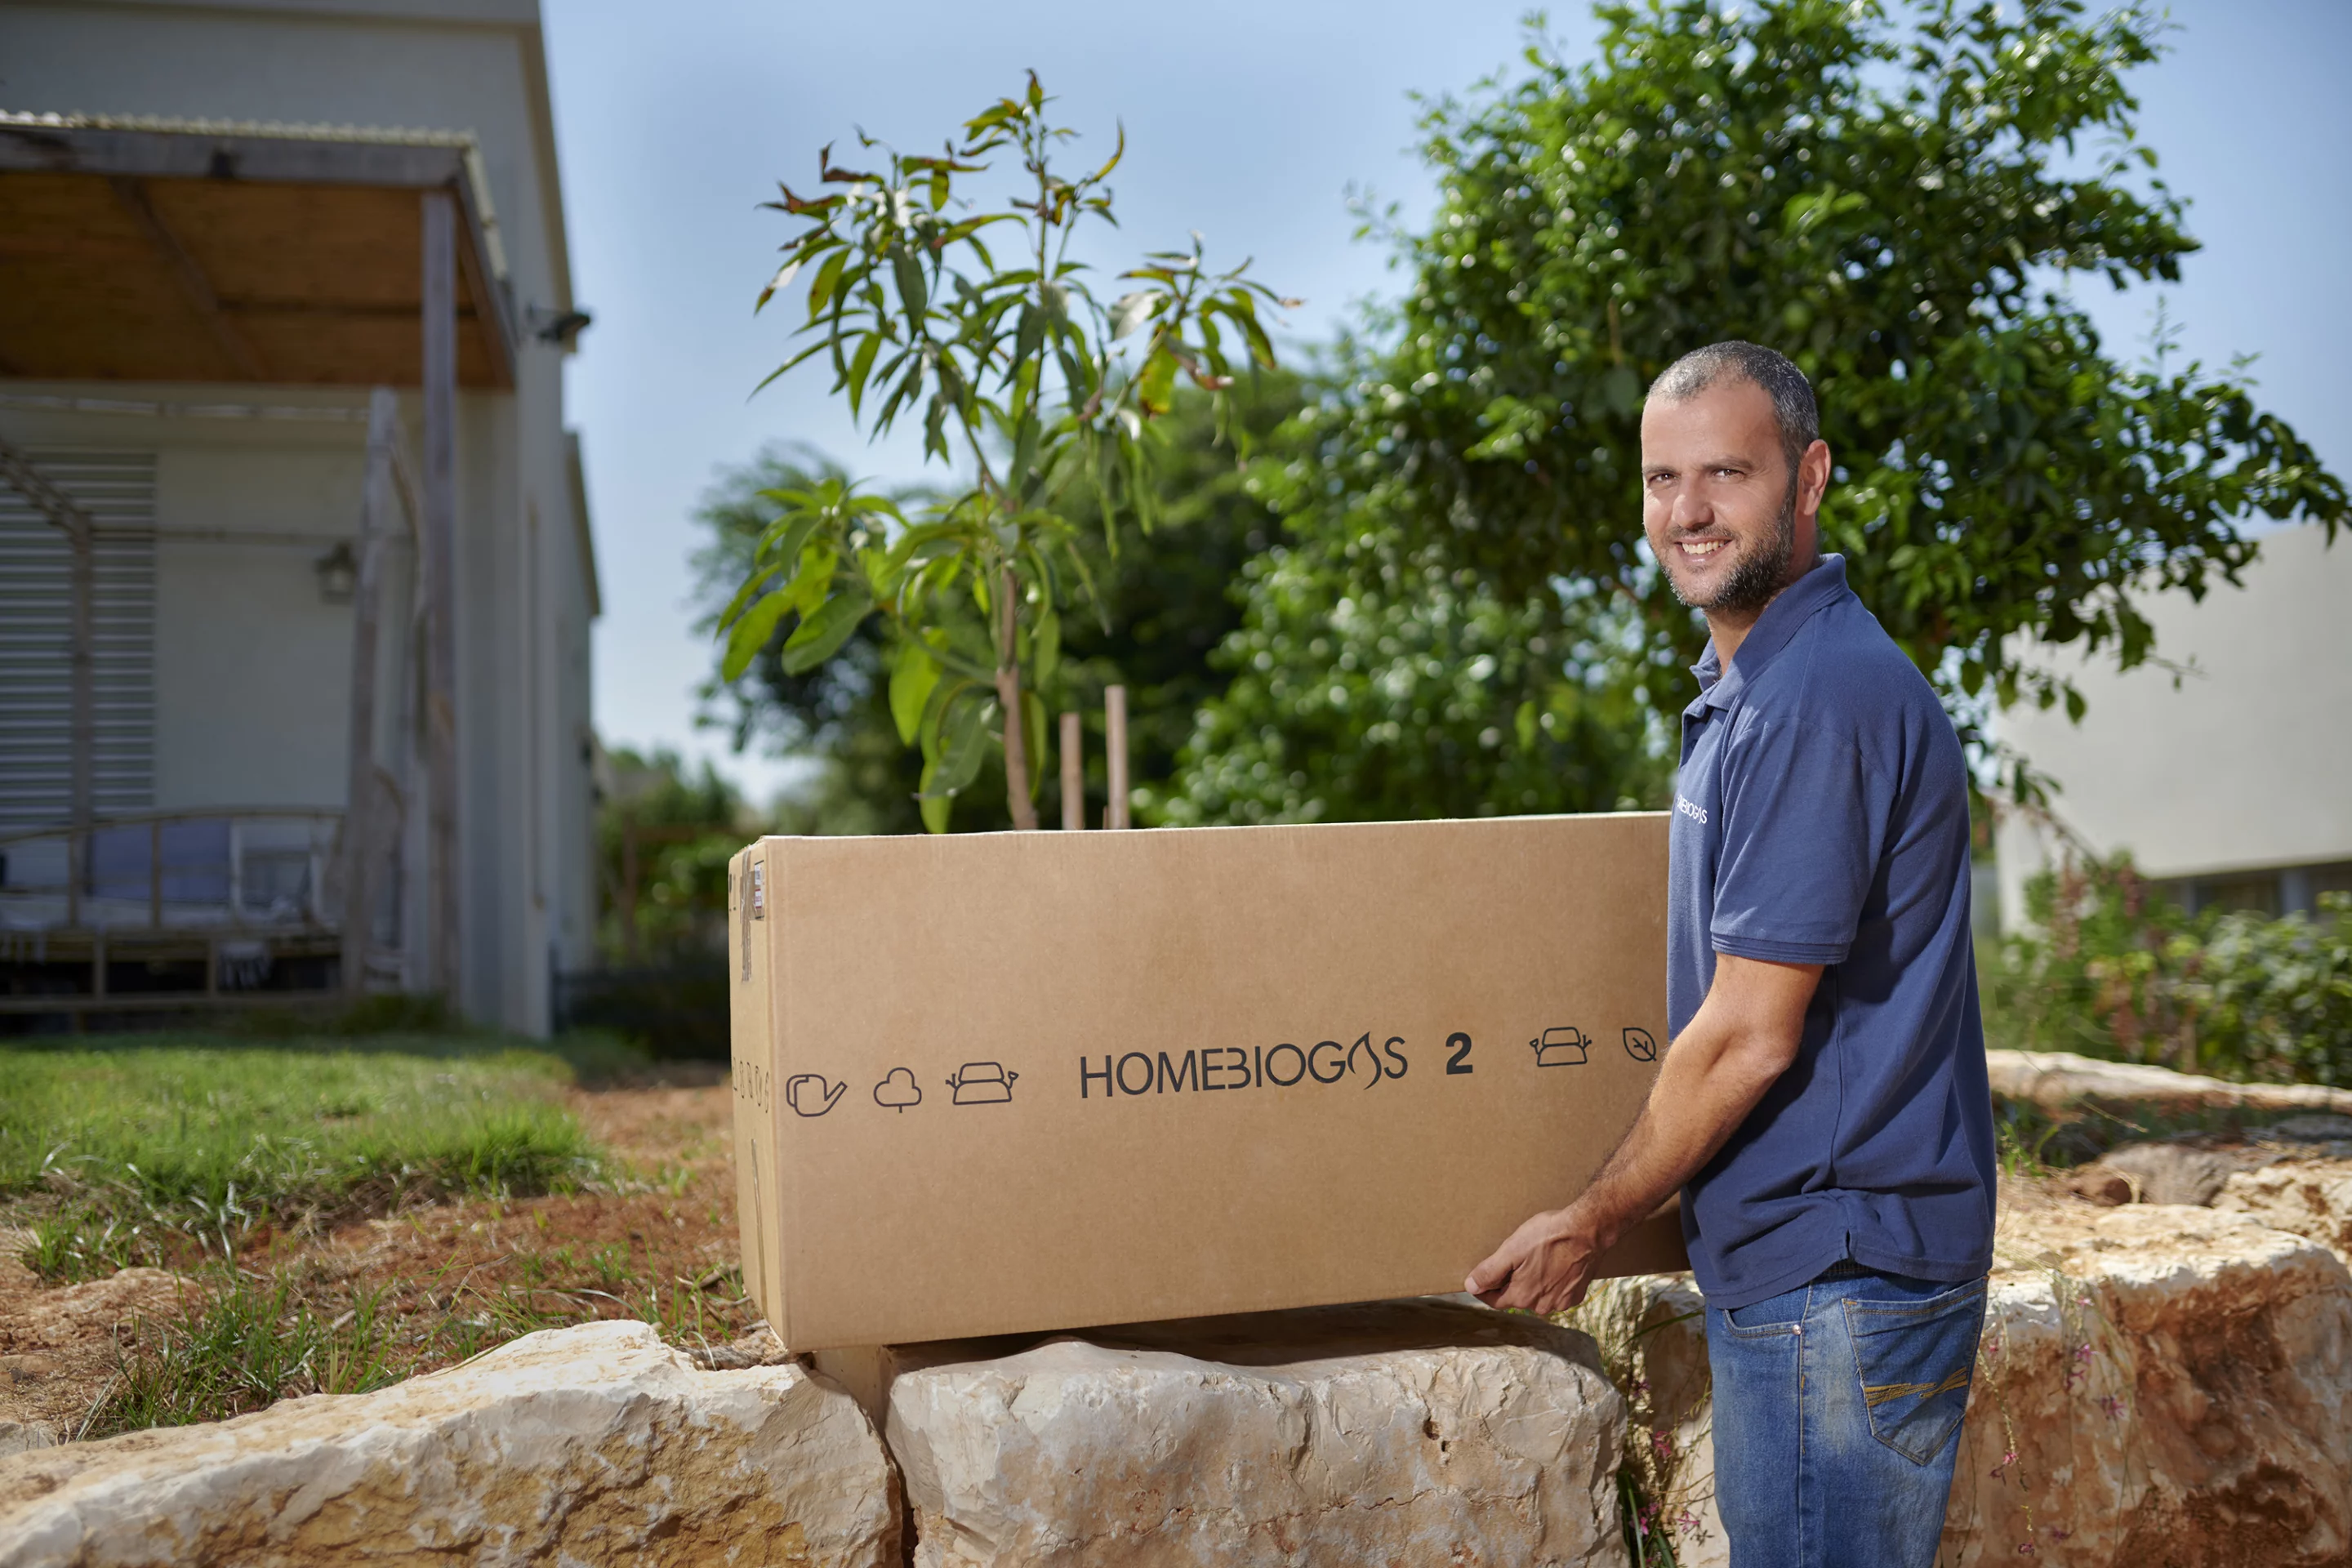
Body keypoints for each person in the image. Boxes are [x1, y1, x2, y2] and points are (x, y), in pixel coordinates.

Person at [1466, 341, 1997, 1567]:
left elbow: (1751, 1032)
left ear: (1809, 478)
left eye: (1725, 474)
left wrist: (1591, 1220)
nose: (1686, 512)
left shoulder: (1818, 699)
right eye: (1661, 479)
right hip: (1814, 1273)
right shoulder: (1750, 689)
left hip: (1839, 1279)